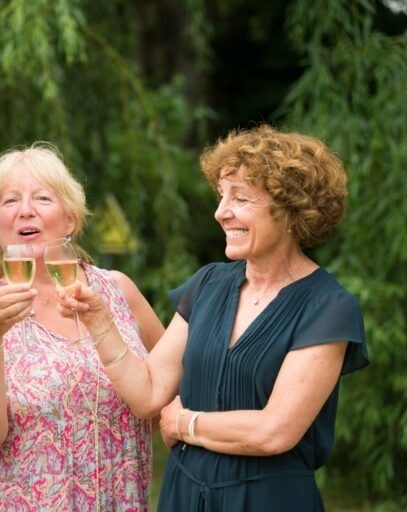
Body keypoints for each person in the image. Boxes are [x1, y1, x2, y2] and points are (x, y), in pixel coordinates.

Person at [59, 125, 369, 511]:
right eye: (222, 196)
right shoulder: (207, 283)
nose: (221, 213)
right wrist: (99, 323)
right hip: (185, 495)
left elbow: (275, 431)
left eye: (240, 198)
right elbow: (149, 393)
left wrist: (185, 423)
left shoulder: (328, 307)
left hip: (268, 500)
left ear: (290, 210)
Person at [0, 142, 165, 511]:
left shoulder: (118, 291)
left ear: (71, 219)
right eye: (10, 201)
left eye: (42, 199)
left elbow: (169, 389)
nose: (25, 211)